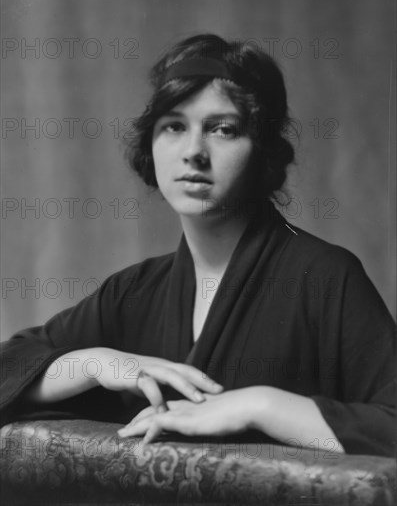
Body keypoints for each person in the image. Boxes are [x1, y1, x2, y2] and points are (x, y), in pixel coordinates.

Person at [1, 34, 395, 457]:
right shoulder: (133, 291)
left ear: (261, 148)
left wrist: (259, 407)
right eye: (173, 126)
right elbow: (10, 367)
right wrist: (96, 362)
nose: (193, 152)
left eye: (222, 129)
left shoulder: (325, 276)